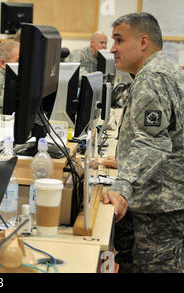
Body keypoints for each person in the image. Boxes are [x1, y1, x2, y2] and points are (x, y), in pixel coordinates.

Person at [102, 12, 183, 273]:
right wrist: (124, 160)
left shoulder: (153, 77)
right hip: (162, 199)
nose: (112, 48)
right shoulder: (164, 69)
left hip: (159, 207)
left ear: (143, 42)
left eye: (119, 40)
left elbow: (153, 142)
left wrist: (123, 184)